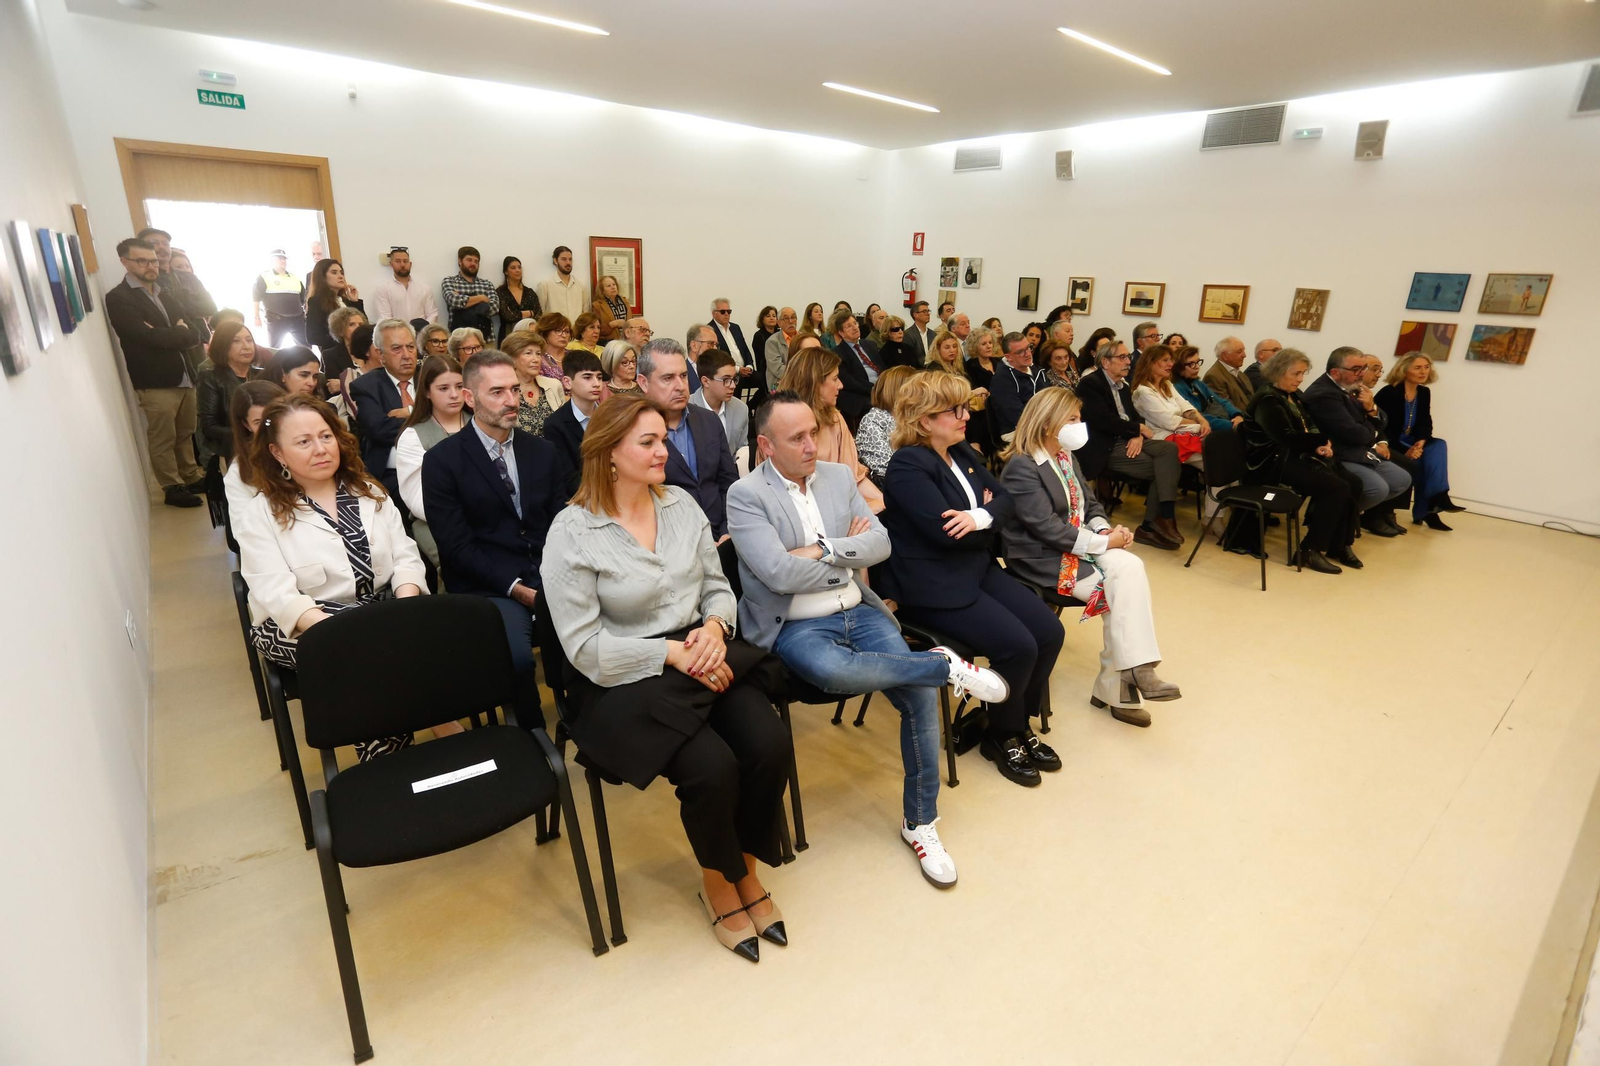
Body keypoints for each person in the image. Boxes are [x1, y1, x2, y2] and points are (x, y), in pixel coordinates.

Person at [540, 394, 791, 961]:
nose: (664, 450)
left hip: (701, 649)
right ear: (607, 453)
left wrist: (715, 626)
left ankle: (745, 869)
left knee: (768, 743)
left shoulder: (679, 504)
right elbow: (583, 648)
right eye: (648, 442)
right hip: (623, 674)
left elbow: (716, 584)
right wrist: (672, 654)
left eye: (664, 438)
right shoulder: (573, 532)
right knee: (711, 767)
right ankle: (719, 884)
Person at [727, 392, 1009, 888]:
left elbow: (880, 544)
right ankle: (945, 667)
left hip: (860, 610)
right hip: (795, 625)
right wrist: (844, 559)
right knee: (838, 672)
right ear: (766, 446)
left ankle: (920, 823)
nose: (812, 445)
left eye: (814, 432)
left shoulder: (837, 477)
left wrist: (820, 549)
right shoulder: (746, 495)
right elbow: (774, 574)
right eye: (797, 438)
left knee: (919, 700)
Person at [881, 373, 1065, 788]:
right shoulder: (909, 464)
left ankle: (1010, 720)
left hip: (974, 568)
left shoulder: (959, 450)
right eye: (955, 410)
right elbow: (945, 534)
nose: (967, 416)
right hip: (934, 585)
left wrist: (978, 517)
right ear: (924, 420)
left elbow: (1007, 501)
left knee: (1049, 632)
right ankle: (1002, 736)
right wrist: (985, 518)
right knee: (1017, 646)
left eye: (967, 407)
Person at [234, 393, 435, 761]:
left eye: (325, 436)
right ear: (278, 453)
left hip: (377, 611)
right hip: (296, 624)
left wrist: (407, 608)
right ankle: (399, 759)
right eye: (303, 442)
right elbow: (277, 594)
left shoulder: (369, 491)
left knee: (417, 640)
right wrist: (345, 635)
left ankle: (402, 762)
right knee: (362, 663)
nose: (320, 449)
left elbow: (406, 557)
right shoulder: (259, 515)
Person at [1000, 388, 1178, 727]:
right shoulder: (1022, 466)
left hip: (1078, 547)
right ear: (1047, 422)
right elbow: (1046, 529)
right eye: (1072, 419)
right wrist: (1105, 543)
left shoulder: (1065, 455)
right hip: (1043, 558)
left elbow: (1090, 504)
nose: (1079, 425)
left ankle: (1130, 676)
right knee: (1124, 584)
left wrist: (1103, 530)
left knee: (1125, 581)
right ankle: (1126, 682)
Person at [423, 350, 572, 728]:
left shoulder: (541, 451)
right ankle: (532, 737)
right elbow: (455, 547)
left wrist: (555, 576)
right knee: (518, 660)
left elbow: (561, 523)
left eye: (514, 389)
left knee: (599, 634)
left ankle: (587, 720)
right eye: (497, 392)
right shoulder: (443, 461)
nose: (511, 400)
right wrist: (517, 587)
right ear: (470, 399)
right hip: (487, 584)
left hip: (545, 571)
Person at [1238, 349, 1360, 573]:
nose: (1300, 379)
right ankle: (1310, 551)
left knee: (1353, 483)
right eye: (1296, 374)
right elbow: (1284, 436)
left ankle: (1339, 543)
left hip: (1291, 455)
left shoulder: (1290, 394)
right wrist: (1319, 441)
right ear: (1279, 371)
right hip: (1270, 462)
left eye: (1303, 374)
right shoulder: (1267, 398)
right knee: (1336, 488)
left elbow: (1308, 423)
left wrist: (1322, 443)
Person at [106, 237, 205, 507]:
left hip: (184, 374)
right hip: (155, 379)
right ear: (124, 262)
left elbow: (193, 333)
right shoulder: (119, 298)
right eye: (142, 261)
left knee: (185, 431)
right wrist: (176, 332)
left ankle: (191, 475)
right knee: (163, 436)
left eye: (153, 260)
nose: (151, 266)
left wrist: (170, 333)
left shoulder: (164, 292)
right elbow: (142, 336)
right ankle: (172, 486)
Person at [1075, 341, 1185, 549]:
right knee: (1162, 470)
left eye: (1128, 357)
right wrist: (1136, 430)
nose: (1128, 362)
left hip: (1127, 439)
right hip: (1105, 445)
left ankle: (1164, 519)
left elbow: (1137, 417)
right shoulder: (1090, 384)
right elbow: (1103, 421)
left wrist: (1137, 434)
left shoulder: (1123, 385)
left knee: (1169, 449)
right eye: (1122, 357)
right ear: (1105, 362)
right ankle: (1151, 526)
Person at [1302, 347, 1412, 539]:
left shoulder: (1353, 387)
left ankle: (1346, 516)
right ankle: (1332, 519)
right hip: (1338, 453)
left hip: (1359, 450)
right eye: (1357, 369)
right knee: (1378, 489)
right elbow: (1354, 434)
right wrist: (1372, 427)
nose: (1362, 374)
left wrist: (1371, 408)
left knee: (1401, 479)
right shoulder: (1324, 394)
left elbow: (1382, 420)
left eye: (1364, 368)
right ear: (1336, 372)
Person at [638, 339, 739, 540]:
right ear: (644, 383)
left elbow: (728, 481)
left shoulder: (708, 420)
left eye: (683, 376)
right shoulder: (634, 431)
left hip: (720, 534)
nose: (680, 386)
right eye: (667, 378)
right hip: (668, 540)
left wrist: (728, 529)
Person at [779, 346, 884, 512]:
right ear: (815, 382)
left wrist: (887, 504)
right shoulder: (781, 423)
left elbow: (855, 477)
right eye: (835, 379)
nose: (841, 385)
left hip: (840, 504)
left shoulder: (834, 418)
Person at [395, 355, 466, 569]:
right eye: (443, 388)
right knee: (461, 564)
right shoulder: (413, 435)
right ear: (427, 392)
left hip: (491, 518)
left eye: (460, 386)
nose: (454, 395)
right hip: (436, 523)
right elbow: (418, 499)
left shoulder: (481, 425)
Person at [1377, 354, 1462, 530]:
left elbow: (1425, 421)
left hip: (1413, 441)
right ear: (1403, 369)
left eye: (1426, 367)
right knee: (1424, 463)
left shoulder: (1423, 392)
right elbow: (1382, 428)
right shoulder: (1389, 392)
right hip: (1390, 442)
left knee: (1438, 446)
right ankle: (1431, 508)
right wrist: (1404, 449)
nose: (1423, 371)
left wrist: (1421, 442)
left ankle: (1439, 497)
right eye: (1417, 367)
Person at [348, 319, 419, 499]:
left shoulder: (431, 377)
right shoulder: (366, 386)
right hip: (391, 475)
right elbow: (380, 429)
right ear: (380, 355)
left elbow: (452, 416)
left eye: (410, 347)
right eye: (397, 349)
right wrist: (425, 416)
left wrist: (409, 412)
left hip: (435, 469)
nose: (407, 355)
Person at [541, 348, 606, 490]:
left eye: (599, 377)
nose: (596, 383)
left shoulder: (611, 415)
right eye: (587, 377)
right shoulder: (555, 424)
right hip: (583, 496)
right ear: (567, 382)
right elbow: (568, 478)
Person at [197, 320, 262, 461]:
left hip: (265, 446)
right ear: (223, 346)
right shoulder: (211, 377)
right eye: (236, 341)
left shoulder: (262, 375)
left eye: (249, 340)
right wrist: (247, 435)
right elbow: (209, 426)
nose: (246, 346)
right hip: (231, 450)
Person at [223, 380, 286, 518]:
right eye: (259, 422)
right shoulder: (239, 472)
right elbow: (244, 529)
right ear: (246, 425)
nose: (270, 428)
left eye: (275, 417)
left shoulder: (317, 449)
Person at [1130, 344, 1210, 452]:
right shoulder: (1142, 392)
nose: (1171, 364)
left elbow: (1185, 406)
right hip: (1164, 439)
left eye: (1171, 360)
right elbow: (1170, 422)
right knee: (1213, 457)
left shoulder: (1167, 384)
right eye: (1165, 360)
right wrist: (1197, 423)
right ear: (1150, 363)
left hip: (1186, 434)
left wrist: (1202, 421)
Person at [691, 349, 751, 474]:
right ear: (705, 381)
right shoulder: (687, 407)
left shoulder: (740, 409)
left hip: (729, 476)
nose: (733, 385)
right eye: (726, 380)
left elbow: (741, 451)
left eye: (734, 379)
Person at [854, 364, 916, 483]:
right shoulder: (873, 420)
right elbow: (885, 468)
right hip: (896, 485)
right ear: (899, 391)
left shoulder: (912, 417)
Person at [989, 331, 1049, 441]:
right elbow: (1017, 416)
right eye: (1020, 352)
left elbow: (1050, 398)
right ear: (1009, 357)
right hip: (1016, 431)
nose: (1027, 354)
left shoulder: (1037, 370)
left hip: (1041, 424)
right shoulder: (1002, 380)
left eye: (1028, 348)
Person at [828, 307, 879, 431]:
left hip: (880, 388)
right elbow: (850, 382)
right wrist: (875, 390)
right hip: (860, 394)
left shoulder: (870, 345)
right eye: (848, 326)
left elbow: (881, 368)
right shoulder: (837, 353)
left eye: (855, 323)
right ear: (841, 332)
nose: (855, 327)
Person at [1173, 346, 1244, 432]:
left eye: (1198, 362)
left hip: (1220, 421)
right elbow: (1198, 415)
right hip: (1205, 427)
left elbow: (1221, 401)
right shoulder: (1176, 387)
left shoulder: (1197, 383)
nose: (1197, 367)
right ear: (1179, 367)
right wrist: (1230, 425)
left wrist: (1237, 415)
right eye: (1191, 364)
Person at [502, 332, 560, 436]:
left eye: (538, 354)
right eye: (528, 353)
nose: (536, 359)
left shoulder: (554, 385)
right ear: (511, 358)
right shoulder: (503, 391)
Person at [368, 247, 439, 326]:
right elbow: (385, 318)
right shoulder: (383, 289)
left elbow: (432, 314)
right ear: (391, 264)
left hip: (421, 334)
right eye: (398, 261)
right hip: (396, 335)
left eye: (405, 261)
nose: (402, 264)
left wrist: (423, 331)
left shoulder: (424, 288)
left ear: (410, 264)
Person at [303, 258, 363, 351]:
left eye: (341, 273)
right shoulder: (316, 301)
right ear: (322, 277)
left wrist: (355, 302)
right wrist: (344, 340)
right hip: (335, 354)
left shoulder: (345, 300)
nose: (341, 276)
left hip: (356, 352)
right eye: (334, 273)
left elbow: (363, 326)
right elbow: (313, 337)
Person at [251, 249, 306, 346]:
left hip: (297, 319)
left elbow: (303, 299)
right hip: (276, 320)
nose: (283, 261)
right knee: (274, 349)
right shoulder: (264, 276)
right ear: (271, 260)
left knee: (305, 347)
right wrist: (256, 317)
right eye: (279, 258)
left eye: (284, 259)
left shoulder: (295, 278)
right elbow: (256, 298)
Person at [442, 245, 498, 339]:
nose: (473, 263)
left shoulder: (487, 284)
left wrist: (464, 303)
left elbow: (495, 308)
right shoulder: (450, 281)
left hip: (485, 339)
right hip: (459, 340)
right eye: (469, 260)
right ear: (460, 261)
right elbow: (453, 301)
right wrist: (481, 298)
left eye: (476, 261)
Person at [316, 305, 368, 403]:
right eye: (352, 324)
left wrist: (345, 384)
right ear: (340, 330)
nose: (358, 328)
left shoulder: (372, 351)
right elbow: (333, 389)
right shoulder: (330, 355)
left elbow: (380, 382)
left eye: (361, 324)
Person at [961, 325, 999, 454]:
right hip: (981, 411)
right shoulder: (969, 367)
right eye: (984, 344)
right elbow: (974, 390)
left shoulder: (1000, 363)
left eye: (990, 342)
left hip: (1000, 408)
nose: (989, 346)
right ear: (975, 347)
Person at [535, 245, 588, 324]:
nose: (568, 262)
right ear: (555, 261)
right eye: (563, 259)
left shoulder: (581, 285)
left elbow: (585, 313)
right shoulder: (544, 285)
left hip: (576, 334)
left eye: (570, 259)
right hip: (554, 333)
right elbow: (540, 314)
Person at [495, 255, 542, 341]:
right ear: (506, 271)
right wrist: (530, 313)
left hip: (530, 335)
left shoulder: (529, 292)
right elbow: (507, 316)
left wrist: (518, 314)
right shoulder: (500, 292)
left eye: (519, 267)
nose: (517, 270)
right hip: (508, 334)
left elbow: (539, 314)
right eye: (513, 268)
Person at [707, 298, 755, 380]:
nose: (726, 314)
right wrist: (737, 369)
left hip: (745, 370)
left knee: (761, 380)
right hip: (727, 373)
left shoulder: (735, 327)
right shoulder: (709, 330)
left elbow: (745, 350)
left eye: (729, 311)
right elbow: (716, 358)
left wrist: (749, 366)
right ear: (713, 313)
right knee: (736, 384)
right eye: (723, 312)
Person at [1204, 336, 1255, 412]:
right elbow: (1225, 407)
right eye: (1239, 352)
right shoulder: (1213, 376)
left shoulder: (1240, 374)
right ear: (1225, 356)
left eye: (1243, 351)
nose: (1244, 355)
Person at [764, 306, 800, 391]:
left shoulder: (803, 338)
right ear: (779, 323)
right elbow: (778, 369)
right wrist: (800, 375)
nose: (791, 321)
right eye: (786, 318)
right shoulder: (772, 342)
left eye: (793, 317)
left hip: (803, 382)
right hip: (781, 384)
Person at [592, 275, 628, 343]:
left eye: (614, 284)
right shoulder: (597, 305)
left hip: (626, 341)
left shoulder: (625, 301)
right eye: (609, 286)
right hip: (608, 342)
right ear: (602, 291)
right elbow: (596, 328)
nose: (613, 287)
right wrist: (613, 324)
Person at [749, 305, 780, 384]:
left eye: (774, 316)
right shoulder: (759, 335)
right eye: (768, 316)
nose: (771, 318)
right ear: (762, 319)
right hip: (765, 368)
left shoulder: (781, 333)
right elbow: (764, 356)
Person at [685, 322, 717, 395]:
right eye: (710, 344)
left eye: (716, 345)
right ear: (694, 346)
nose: (715, 348)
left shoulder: (717, 372)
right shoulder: (681, 374)